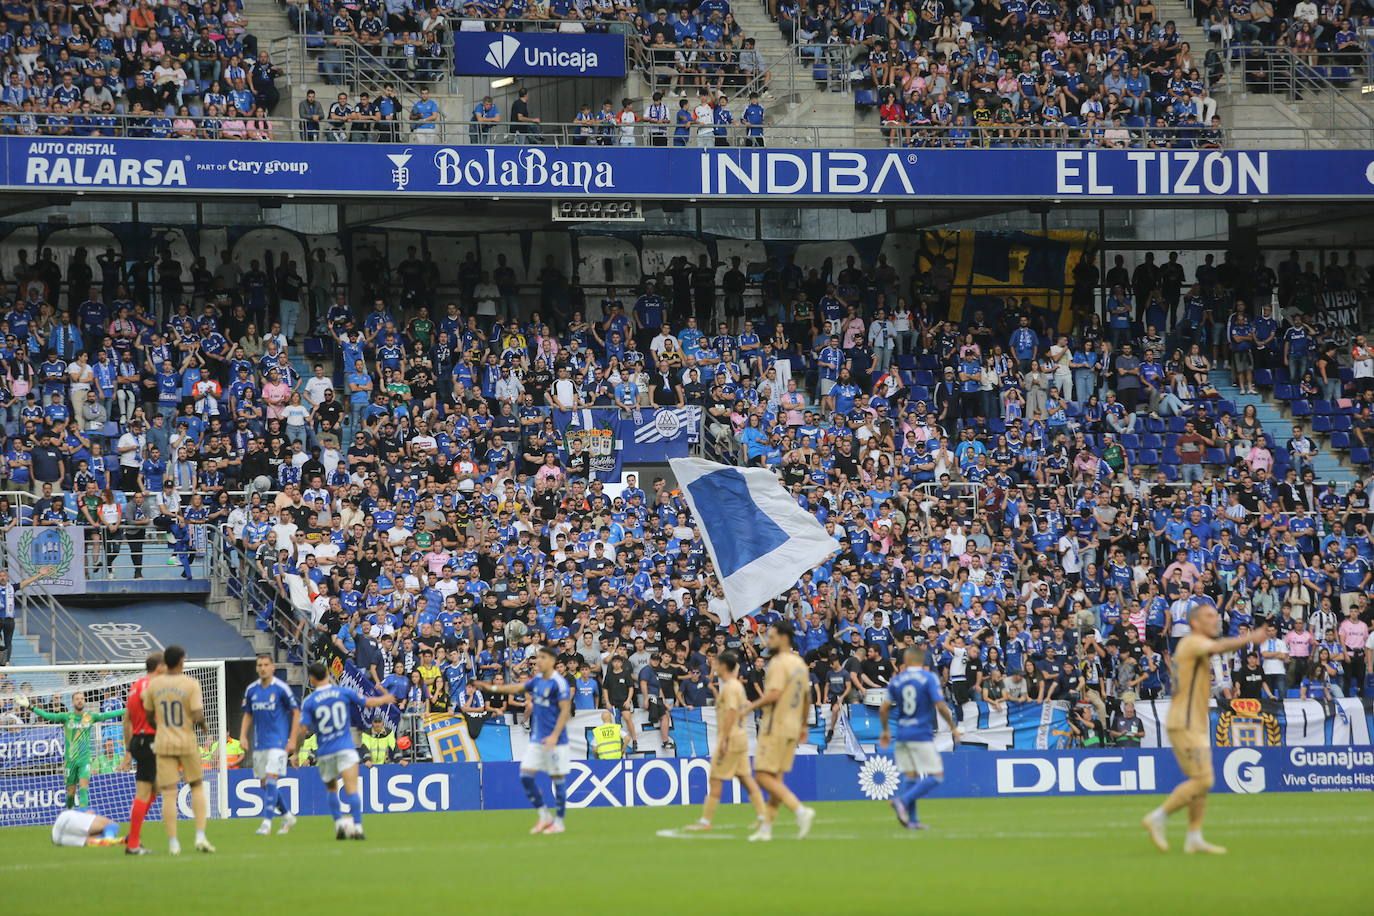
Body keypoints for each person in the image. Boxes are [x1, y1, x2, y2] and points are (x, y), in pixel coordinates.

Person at [1141, 597, 1267, 855]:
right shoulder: (1191, 642)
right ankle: (1159, 816)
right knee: (1204, 779)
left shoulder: (1196, 645)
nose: (1216, 619)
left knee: (1199, 780)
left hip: (1192, 722)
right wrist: (1250, 637)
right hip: (1185, 722)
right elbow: (1220, 646)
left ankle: (1194, 836)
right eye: (1209, 616)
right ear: (1195, 622)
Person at [476, 645, 572, 835]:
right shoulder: (537, 680)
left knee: (557, 779)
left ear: (552, 661)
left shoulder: (559, 683)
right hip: (538, 739)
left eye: (543, 658)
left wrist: (554, 735)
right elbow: (518, 687)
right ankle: (544, 816)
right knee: (526, 776)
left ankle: (559, 822)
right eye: (538, 658)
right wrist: (492, 687)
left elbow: (565, 711)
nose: (539, 661)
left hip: (556, 740)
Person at [295, 660, 397, 840]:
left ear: (311, 679)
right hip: (346, 749)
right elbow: (368, 702)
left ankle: (339, 825)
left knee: (332, 789)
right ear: (327, 674)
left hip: (325, 752)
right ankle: (357, 826)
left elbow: (302, 730)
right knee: (352, 789)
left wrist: (295, 752)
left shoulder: (309, 701)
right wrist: (385, 699)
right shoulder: (342, 692)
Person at [744, 621, 816, 842]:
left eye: (773, 636)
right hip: (792, 726)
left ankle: (800, 810)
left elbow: (773, 694)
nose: (769, 640)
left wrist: (748, 708)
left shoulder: (778, 663)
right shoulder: (800, 664)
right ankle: (766, 829)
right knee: (776, 778)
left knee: (763, 775)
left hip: (775, 724)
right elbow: (806, 698)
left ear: (784, 637)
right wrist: (803, 725)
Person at [683, 650, 767, 832]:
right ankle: (763, 816)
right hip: (740, 736)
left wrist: (724, 741)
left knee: (715, 779)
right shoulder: (736, 686)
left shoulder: (730, 687)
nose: (714, 666)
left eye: (717, 663)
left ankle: (705, 822)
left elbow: (730, 713)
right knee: (745, 778)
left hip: (730, 738)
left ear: (723, 667)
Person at [143, 644, 214, 855]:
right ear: (181, 661)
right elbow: (198, 714)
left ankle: (173, 843)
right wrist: (202, 725)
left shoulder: (154, 685)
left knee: (168, 793)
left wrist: (161, 728)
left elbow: (148, 714)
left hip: (164, 741)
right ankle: (200, 836)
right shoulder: (190, 684)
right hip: (186, 740)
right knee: (197, 785)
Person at [878, 646, 959, 829]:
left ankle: (912, 821)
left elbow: (883, 709)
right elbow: (939, 704)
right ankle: (902, 801)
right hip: (921, 734)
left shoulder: (896, 681)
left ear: (906, 661)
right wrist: (953, 727)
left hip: (902, 734)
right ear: (923, 661)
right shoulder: (928, 678)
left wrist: (885, 731)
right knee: (936, 776)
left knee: (911, 776)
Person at [30, 689, 125, 811]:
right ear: (72, 702)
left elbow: (110, 714)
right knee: (71, 793)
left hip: (85, 760)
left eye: (82, 699)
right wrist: (31, 707)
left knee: (84, 788)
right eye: (77, 699)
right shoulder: (66, 717)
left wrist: (131, 708)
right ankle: (69, 814)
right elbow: (47, 715)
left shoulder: (90, 716)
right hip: (70, 761)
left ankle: (83, 819)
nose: (80, 701)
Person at [239, 653, 301, 836]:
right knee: (265, 784)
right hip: (260, 744)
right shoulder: (252, 690)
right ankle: (288, 815)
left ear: (272, 667)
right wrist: (243, 735)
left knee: (272, 779)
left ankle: (266, 823)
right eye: (259, 665)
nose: (263, 668)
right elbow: (248, 714)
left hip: (278, 743)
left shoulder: (281, 689)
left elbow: (296, 713)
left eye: (266, 664)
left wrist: (292, 740)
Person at [122, 651, 165, 855]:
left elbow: (126, 719)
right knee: (144, 792)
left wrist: (128, 748)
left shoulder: (134, 686)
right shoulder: (154, 687)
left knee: (156, 788)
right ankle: (133, 844)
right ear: (159, 667)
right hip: (151, 741)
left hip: (139, 741)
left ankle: (133, 836)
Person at [51, 809, 122, 847]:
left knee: (96, 840)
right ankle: (110, 839)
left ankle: (109, 839)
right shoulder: (89, 812)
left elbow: (90, 841)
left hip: (57, 839)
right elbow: (90, 812)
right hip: (65, 820)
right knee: (111, 824)